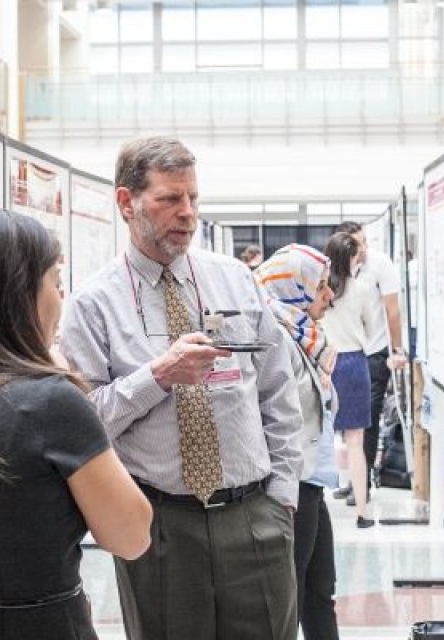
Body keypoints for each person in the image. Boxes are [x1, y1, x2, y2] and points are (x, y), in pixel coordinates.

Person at [60, 136, 303, 640]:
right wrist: (158, 376)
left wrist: (280, 497)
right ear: (127, 203)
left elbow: (278, 390)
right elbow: (84, 421)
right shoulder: (92, 305)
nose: (187, 213)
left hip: (254, 516)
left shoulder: (236, 280)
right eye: (170, 199)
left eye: (193, 197)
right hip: (160, 524)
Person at [0, 209, 152, 640]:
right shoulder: (49, 403)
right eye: (55, 281)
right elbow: (132, 534)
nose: (62, 295)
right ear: (19, 295)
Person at [256, 244, 340, 639]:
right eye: (321, 286)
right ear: (296, 287)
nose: (330, 295)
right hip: (292, 487)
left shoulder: (305, 336)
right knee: (290, 595)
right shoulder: (278, 339)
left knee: (319, 591)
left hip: (312, 482)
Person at [332, 221, 406, 504]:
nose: (362, 249)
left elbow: (393, 311)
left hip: (374, 351)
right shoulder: (335, 268)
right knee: (347, 422)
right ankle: (352, 481)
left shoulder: (380, 265)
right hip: (343, 353)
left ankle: (364, 487)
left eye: (364, 242)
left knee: (367, 418)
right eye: (356, 244)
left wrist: (396, 350)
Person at [321, 232, 374, 528]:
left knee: (320, 438)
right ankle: (362, 513)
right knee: (355, 443)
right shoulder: (363, 289)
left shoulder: (320, 288)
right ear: (351, 258)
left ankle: (320, 507)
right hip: (354, 363)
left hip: (324, 362)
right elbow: (372, 325)